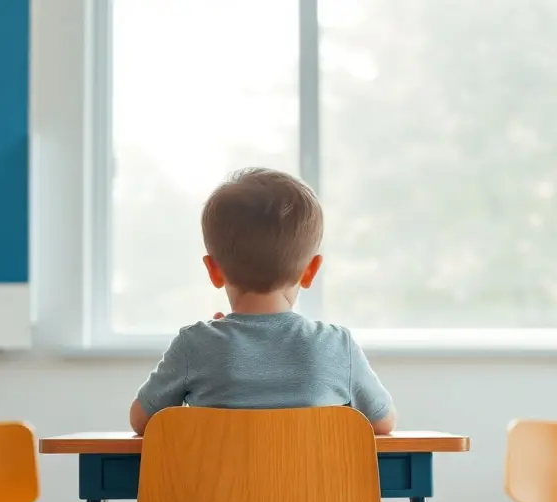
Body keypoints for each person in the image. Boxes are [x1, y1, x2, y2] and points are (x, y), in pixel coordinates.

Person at [128, 167, 396, 437]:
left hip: (219, 482)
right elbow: (384, 423)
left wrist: (211, 344)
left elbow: (141, 420)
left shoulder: (195, 344)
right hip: (309, 481)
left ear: (213, 270)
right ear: (311, 270)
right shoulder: (337, 346)